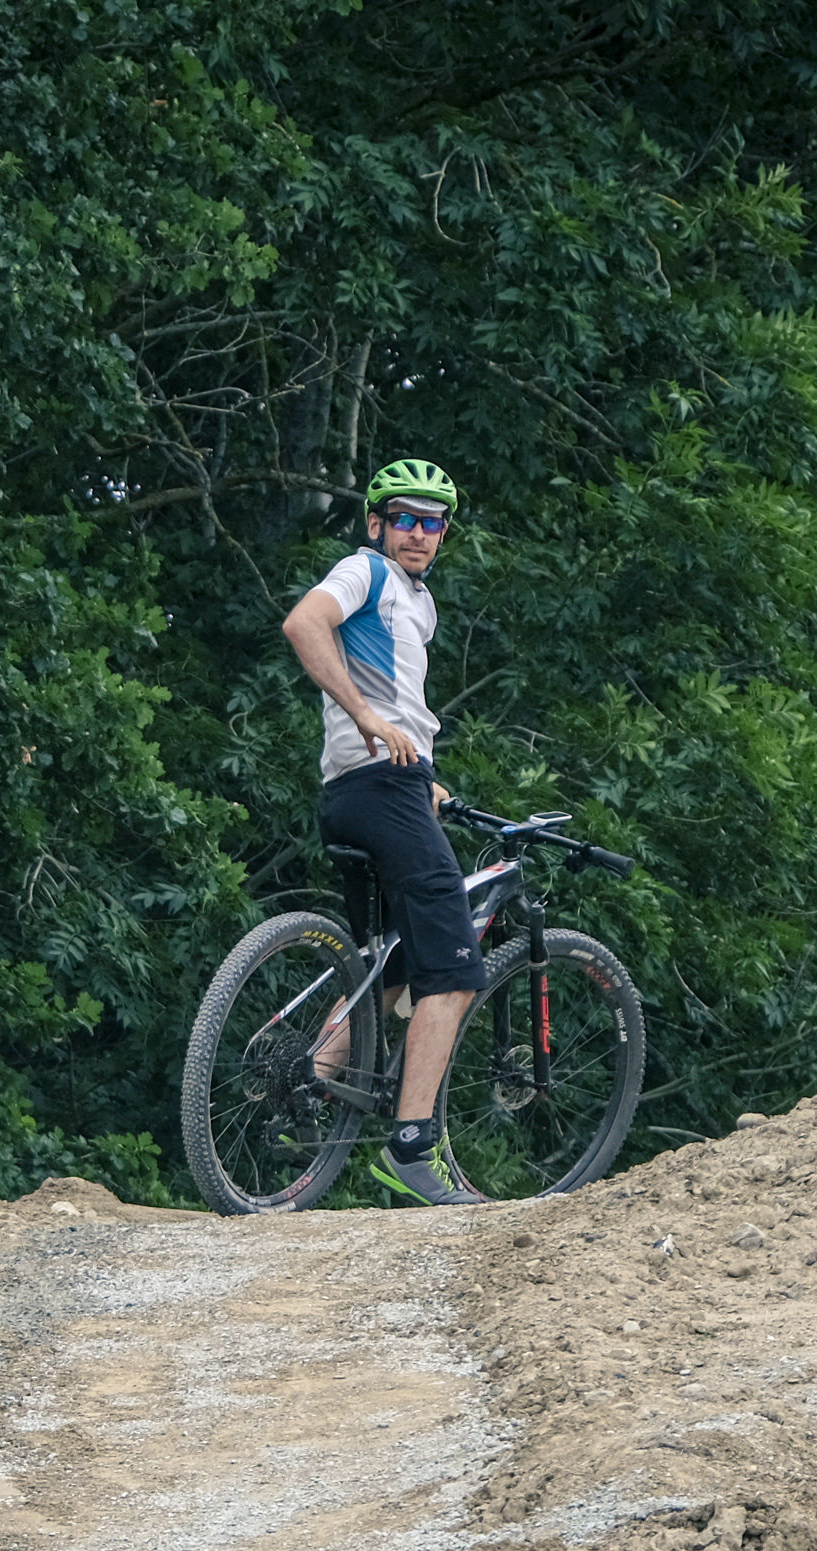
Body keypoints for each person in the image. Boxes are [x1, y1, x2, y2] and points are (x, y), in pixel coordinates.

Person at [279, 455, 485, 1204]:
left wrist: (422, 769)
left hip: (369, 790)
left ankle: (312, 1073)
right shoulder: (364, 572)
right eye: (405, 518)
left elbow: (392, 691)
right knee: (458, 970)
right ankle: (411, 1147)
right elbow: (304, 623)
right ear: (377, 524)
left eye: (434, 523)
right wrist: (371, 722)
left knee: (393, 965)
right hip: (378, 786)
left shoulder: (415, 603)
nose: (420, 534)